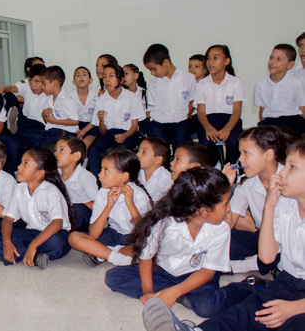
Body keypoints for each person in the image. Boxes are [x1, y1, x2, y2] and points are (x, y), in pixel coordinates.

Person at [143, 142, 305, 330]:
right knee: (248, 311)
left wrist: (294, 308)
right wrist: (269, 206)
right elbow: (267, 257)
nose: (281, 173)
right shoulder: (285, 206)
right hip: (288, 281)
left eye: (292, 167)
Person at [107, 167, 259, 319]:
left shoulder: (221, 229)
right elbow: (145, 258)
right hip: (162, 271)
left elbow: (208, 272)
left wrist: (175, 291)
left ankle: (247, 286)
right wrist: (147, 291)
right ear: (204, 212)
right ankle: (179, 295)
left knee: (208, 307)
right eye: (225, 204)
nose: (228, 209)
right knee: (114, 277)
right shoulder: (163, 223)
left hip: (196, 274)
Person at [0, 148, 73, 270]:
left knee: (56, 243)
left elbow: (57, 224)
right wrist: (6, 242)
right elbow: (8, 219)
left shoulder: (51, 192)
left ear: (39, 173)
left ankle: (18, 253)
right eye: (21, 162)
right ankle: (33, 256)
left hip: (52, 234)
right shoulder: (19, 189)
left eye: (26, 163)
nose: (19, 167)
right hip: (31, 233)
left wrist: (33, 245)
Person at [226, 126, 296, 274]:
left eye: (246, 153)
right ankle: (255, 261)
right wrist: (224, 190)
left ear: (268, 154)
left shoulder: (291, 179)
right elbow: (228, 223)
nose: (240, 159)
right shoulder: (246, 183)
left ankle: (244, 265)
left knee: (278, 256)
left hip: (291, 239)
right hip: (263, 237)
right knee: (219, 241)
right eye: (240, 153)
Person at [69, 149, 152, 267]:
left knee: (144, 249)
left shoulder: (140, 196)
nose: (100, 174)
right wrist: (108, 206)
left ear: (124, 176)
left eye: (106, 170)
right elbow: (94, 234)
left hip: (134, 237)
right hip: (113, 234)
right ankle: (116, 255)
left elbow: (143, 233)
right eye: (101, 169)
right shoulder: (103, 193)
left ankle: (103, 253)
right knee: (74, 238)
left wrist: (130, 204)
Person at [86, 63, 146, 177]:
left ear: (121, 79)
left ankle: (117, 181)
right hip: (109, 133)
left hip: (128, 133)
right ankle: (98, 183)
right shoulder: (101, 100)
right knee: (93, 150)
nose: (107, 80)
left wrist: (125, 135)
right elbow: (102, 132)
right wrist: (101, 120)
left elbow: (134, 126)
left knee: (118, 152)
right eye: (104, 77)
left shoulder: (131, 98)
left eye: (111, 76)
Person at [195, 45, 246, 165]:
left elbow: (237, 111)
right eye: (208, 58)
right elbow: (201, 112)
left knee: (234, 141)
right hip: (209, 120)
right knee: (206, 142)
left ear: (226, 61)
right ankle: (215, 166)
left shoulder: (235, 82)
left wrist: (227, 129)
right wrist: (208, 127)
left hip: (230, 119)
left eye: (215, 58)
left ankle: (232, 168)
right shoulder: (202, 84)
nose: (210, 62)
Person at [143, 43, 197, 151]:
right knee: (158, 147)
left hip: (181, 121)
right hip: (160, 122)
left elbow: (193, 100)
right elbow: (152, 106)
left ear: (166, 62)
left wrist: (186, 116)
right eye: (150, 70)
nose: (152, 73)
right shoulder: (154, 83)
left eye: (154, 69)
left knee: (181, 143)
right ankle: (162, 168)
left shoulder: (188, 78)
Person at [254, 44, 305, 135]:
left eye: (279, 59)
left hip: (292, 120)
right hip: (271, 120)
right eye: (271, 57)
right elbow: (262, 110)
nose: (272, 62)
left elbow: (302, 108)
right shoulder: (260, 84)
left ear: (290, 65)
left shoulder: (296, 83)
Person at [0, 63, 48, 148]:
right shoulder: (27, 87)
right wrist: (1, 89)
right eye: (30, 81)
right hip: (23, 120)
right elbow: (10, 88)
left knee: (20, 133)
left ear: (44, 82)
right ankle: (13, 123)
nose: (33, 85)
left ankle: (13, 126)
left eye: (37, 82)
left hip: (38, 126)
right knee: (9, 95)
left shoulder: (49, 94)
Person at [54, 136, 98, 232]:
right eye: (55, 150)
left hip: (82, 215)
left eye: (61, 150)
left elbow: (97, 203)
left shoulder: (84, 176)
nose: (56, 153)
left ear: (76, 156)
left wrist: (70, 206)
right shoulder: (55, 173)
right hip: (64, 210)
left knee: (78, 209)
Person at [30, 65, 80, 147]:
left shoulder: (66, 100)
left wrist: (55, 121)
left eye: (44, 83)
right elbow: (47, 121)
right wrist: (44, 115)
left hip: (63, 133)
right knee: (25, 133)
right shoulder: (49, 100)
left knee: (44, 144)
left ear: (54, 83)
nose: (42, 87)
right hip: (51, 130)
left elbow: (75, 121)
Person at [137, 136, 173, 202]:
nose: (138, 154)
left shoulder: (165, 179)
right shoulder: (137, 172)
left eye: (144, 152)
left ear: (157, 159)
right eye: (138, 151)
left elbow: (156, 205)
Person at [71, 66, 100, 149]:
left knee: (85, 144)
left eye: (84, 74)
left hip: (92, 126)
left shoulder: (96, 96)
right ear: (73, 82)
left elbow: (97, 118)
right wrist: (78, 130)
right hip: (76, 126)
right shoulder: (69, 98)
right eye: (78, 75)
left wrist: (84, 130)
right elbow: (69, 117)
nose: (81, 77)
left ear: (91, 80)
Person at [123, 63, 150, 135]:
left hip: (144, 122)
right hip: (128, 123)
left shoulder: (143, 92)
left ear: (136, 75)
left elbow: (148, 112)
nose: (123, 77)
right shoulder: (121, 94)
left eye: (126, 73)